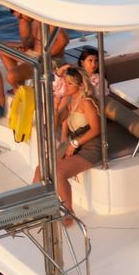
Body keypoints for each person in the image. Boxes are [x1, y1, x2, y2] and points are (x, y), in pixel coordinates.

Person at [53, 66, 103, 212]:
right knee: (42, 168)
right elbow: (56, 124)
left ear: (80, 85)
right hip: (76, 143)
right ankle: (36, 206)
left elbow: (96, 129)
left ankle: (69, 213)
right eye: (65, 82)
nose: (65, 86)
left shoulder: (86, 102)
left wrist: (74, 144)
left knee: (58, 173)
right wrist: (55, 109)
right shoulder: (69, 100)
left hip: (91, 146)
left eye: (69, 83)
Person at [0, 10, 68, 88]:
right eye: (19, 17)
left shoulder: (46, 21)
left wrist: (43, 56)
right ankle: (21, 87)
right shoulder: (29, 21)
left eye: (21, 16)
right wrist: (23, 48)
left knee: (11, 76)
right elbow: (28, 44)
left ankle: (19, 90)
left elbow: (63, 41)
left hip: (50, 60)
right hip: (35, 55)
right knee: (2, 48)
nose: (21, 19)